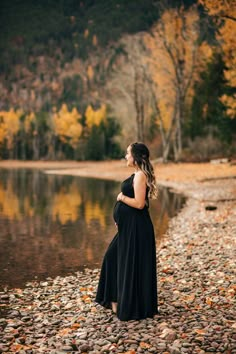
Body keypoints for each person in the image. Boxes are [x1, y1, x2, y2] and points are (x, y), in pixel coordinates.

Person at [95, 142, 158, 321]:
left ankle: (127, 304)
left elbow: (139, 204)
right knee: (114, 258)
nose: (125, 156)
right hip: (131, 228)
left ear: (136, 156)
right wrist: (122, 218)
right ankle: (115, 300)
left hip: (137, 230)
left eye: (128, 153)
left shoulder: (140, 176)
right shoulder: (137, 175)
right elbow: (142, 204)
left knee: (127, 262)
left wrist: (121, 197)